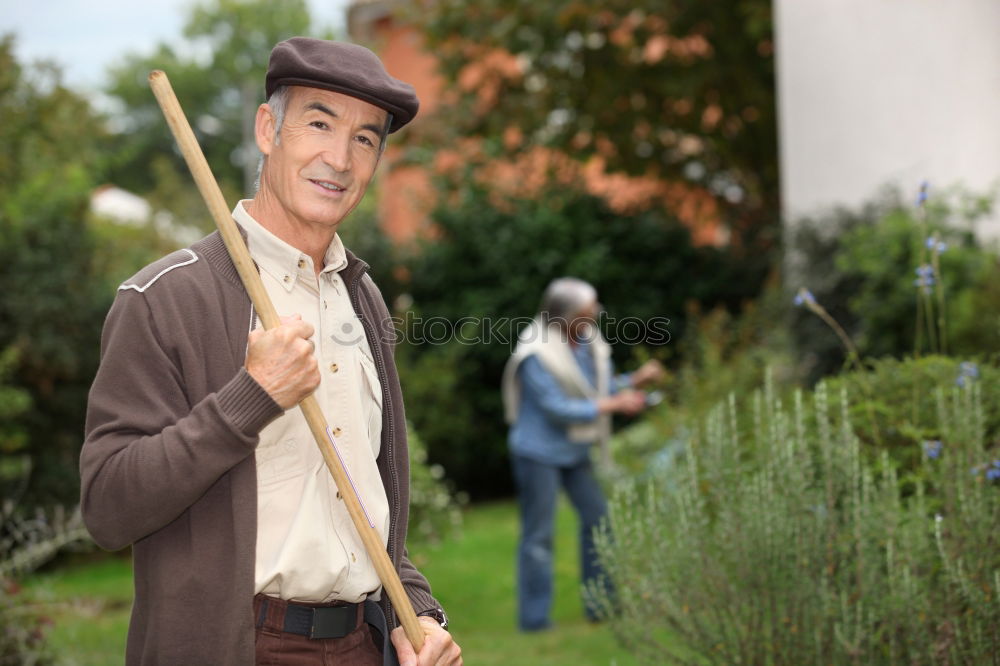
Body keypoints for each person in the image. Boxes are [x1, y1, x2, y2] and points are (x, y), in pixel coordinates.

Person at [80, 37, 461, 666]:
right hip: (236, 647)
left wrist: (416, 610)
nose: (339, 158)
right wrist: (247, 400)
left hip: (363, 644)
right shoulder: (163, 298)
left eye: (366, 138)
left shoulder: (360, 296)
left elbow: (365, 499)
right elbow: (108, 508)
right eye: (318, 123)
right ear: (267, 129)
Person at [500, 278, 664, 632]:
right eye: (588, 313)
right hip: (538, 453)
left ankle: (600, 606)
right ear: (565, 315)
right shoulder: (536, 352)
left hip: (574, 451)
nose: (595, 317)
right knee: (539, 537)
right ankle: (534, 620)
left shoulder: (587, 342)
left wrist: (634, 381)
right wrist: (614, 405)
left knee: (598, 522)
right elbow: (558, 408)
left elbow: (595, 389)